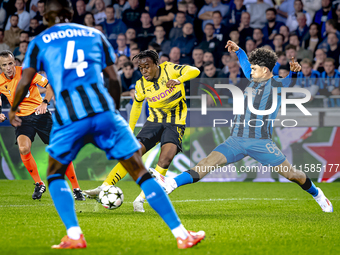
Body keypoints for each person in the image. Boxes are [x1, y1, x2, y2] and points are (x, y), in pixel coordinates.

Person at [8, 0, 205, 250]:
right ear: (72, 13)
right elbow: (113, 79)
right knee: (141, 172)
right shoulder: (95, 34)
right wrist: (110, 113)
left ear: (44, 14)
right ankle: (181, 234)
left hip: (71, 115)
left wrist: (14, 109)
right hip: (103, 112)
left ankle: (74, 234)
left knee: (55, 174)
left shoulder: (39, 41)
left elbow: (25, 80)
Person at [149, 40, 334, 214]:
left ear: (265, 70)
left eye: (255, 68)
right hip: (236, 140)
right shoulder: (252, 78)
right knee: (206, 163)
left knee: (293, 175)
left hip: (261, 142)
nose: (250, 71)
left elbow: (290, 82)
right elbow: (245, 62)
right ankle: (171, 184)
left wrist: (294, 73)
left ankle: (317, 194)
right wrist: (238, 50)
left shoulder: (276, 84)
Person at [83, 49, 201, 213]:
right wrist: (130, 131)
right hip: (153, 123)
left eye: (147, 66)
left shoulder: (169, 69)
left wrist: (179, 80)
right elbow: (137, 106)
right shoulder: (140, 85)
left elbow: (195, 70)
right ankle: (104, 187)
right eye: (141, 68)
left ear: (156, 64)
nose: (144, 71)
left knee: (165, 160)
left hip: (175, 123)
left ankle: (140, 200)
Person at [0, 50, 85, 201]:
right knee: (23, 148)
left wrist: (45, 102)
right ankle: (39, 183)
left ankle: (76, 188)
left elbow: (50, 85)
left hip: (40, 115)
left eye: (10, 63)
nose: (8, 67)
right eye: (4, 65)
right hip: (21, 118)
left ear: (15, 63)